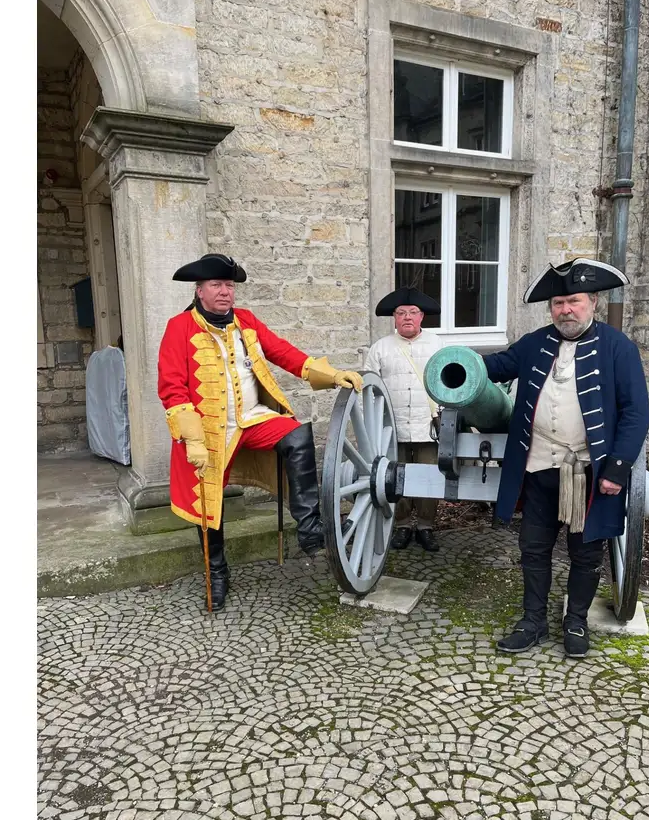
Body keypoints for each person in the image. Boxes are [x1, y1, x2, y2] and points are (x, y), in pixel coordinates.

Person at [156, 253, 364, 610]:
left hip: (252, 420)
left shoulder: (246, 322)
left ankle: (310, 525)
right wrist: (192, 438)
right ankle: (217, 572)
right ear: (200, 290)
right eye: (217, 286)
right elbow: (172, 387)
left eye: (229, 286)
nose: (225, 293)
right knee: (211, 507)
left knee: (296, 435)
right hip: (208, 432)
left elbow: (282, 352)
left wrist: (331, 375)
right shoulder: (179, 327)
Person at [481, 259, 649, 658]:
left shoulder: (617, 347)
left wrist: (618, 468)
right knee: (533, 548)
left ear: (592, 302)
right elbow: (497, 365)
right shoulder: (535, 342)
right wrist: (457, 364)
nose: (565, 310)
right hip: (538, 467)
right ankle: (532, 622)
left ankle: (575, 621)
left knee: (586, 553)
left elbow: (636, 411)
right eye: (558, 303)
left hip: (591, 475)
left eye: (573, 301)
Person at [363, 287, 445, 552]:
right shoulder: (380, 349)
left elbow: (449, 382)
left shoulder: (438, 346)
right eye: (401, 313)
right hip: (392, 425)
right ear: (394, 318)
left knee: (429, 475)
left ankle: (425, 525)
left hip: (428, 424)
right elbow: (370, 389)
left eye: (412, 312)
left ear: (422, 317)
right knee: (393, 476)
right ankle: (401, 525)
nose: (407, 317)